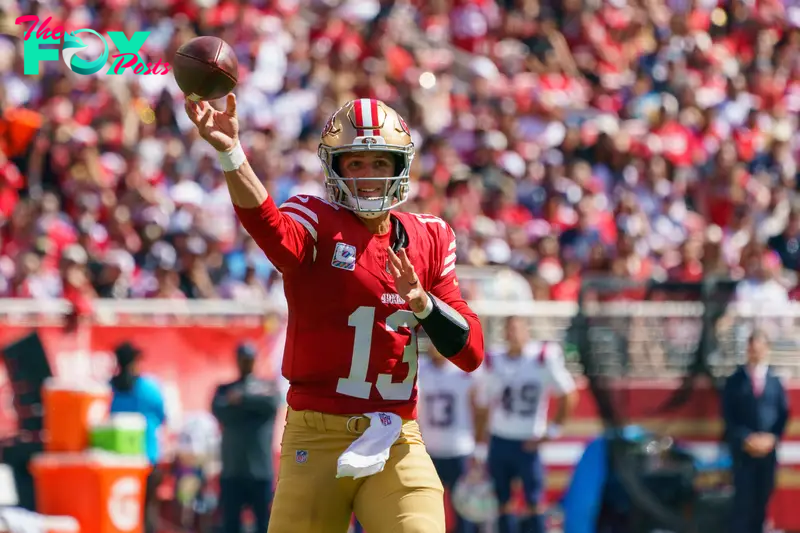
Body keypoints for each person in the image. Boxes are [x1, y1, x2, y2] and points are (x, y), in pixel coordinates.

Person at [185, 95, 484, 533]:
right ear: (335, 168)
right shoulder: (315, 218)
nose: (367, 177)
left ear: (400, 166)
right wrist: (232, 154)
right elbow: (273, 231)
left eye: (379, 163)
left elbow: (471, 352)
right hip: (317, 435)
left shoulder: (431, 237)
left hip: (396, 433)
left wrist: (421, 302)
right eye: (355, 163)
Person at [479, 316, 578, 533]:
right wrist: (480, 441)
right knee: (503, 502)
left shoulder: (542, 357)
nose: (513, 334)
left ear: (527, 331)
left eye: (517, 329)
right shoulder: (494, 360)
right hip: (500, 438)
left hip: (528, 441)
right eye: (509, 330)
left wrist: (552, 430)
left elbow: (569, 394)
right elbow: (482, 402)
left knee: (534, 502)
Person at [722, 329, 790, 533]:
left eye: (760, 348)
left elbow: (782, 413)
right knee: (743, 503)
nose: (756, 352)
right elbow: (728, 416)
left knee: (762, 501)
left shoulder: (775, 381)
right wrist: (746, 439)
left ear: (766, 350)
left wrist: (771, 439)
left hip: (768, 453)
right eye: (752, 348)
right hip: (744, 453)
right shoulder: (735, 381)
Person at [211, 342, 279, 533]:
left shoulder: (267, 387)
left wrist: (240, 399)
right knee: (230, 524)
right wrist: (249, 404)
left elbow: (271, 403)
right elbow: (219, 409)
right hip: (233, 469)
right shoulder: (224, 390)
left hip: (260, 470)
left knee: (264, 524)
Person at [417, 343, 484, 533]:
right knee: (425, 508)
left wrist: (479, 446)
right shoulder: (420, 367)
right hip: (427, 451)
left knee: (464, 510)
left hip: (459, 449)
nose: (434, 346)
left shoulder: (465, 372)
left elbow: (480, 410)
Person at [109, 342, 167, 533]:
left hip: (116, 463)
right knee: (146, 512)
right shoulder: (149, 389)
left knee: (119, 517)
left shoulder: (108, 390)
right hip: (147, 460)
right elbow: (162, 417)